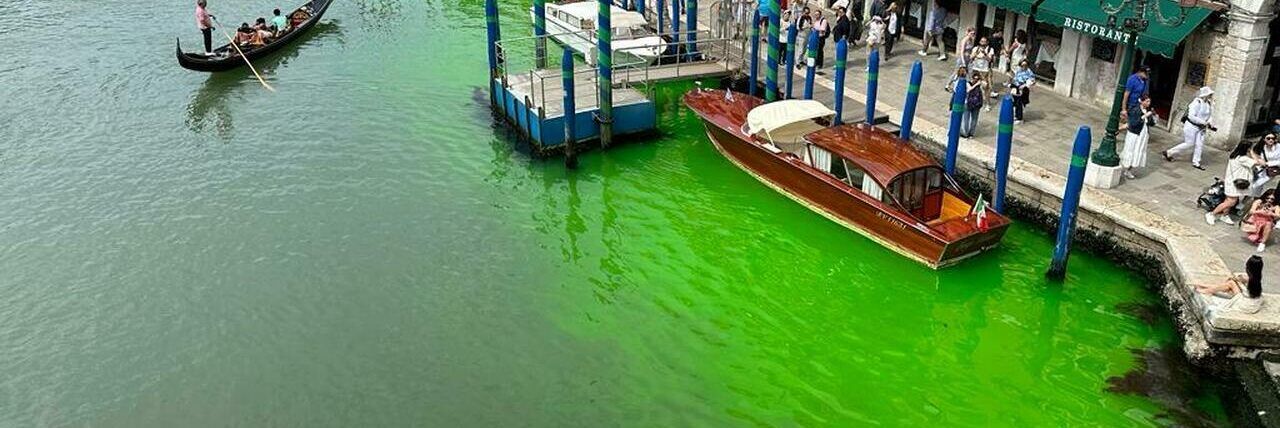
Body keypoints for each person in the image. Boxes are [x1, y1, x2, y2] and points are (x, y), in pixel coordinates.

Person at [1162, 86, 1216, 170]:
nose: (1211, 96)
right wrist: (1203, 122)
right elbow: (1191, 116)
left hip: (1201, 128)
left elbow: (1210, 115)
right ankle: (1169, 152)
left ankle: (1196, 162)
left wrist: (1210, 122)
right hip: (1191, 126)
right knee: (1189, 143)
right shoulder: (1196, 102)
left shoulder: (1208, 103)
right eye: (1210, 94)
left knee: (1199, 145)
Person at [1206, 141, 1258, 225]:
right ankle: (1212, 214)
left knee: (1229, 200)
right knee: (1231, 202)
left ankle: (1225, 215)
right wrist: (1252, 153)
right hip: (1234, 184)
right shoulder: (1243, 158)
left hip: (1232, 181)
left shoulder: (1235, 155)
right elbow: (1257, 162)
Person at [1200, 256, 1264, 315]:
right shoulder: (1257, 278)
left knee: (1231, 283)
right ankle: (1209, 287)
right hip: (1254, 304)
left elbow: (1235, 277)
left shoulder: (1248, 279)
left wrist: (1237, 281)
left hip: (1246, 304)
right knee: (1231, 283)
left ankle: (1208, 290)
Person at [1119, 96, 1156, 180]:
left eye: (1149, 102)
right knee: (1130, 150)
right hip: (1134, 134)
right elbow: (1133, 123)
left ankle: (1129, 170)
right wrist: (1145, 116)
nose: (1148, 103)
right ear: (1141, 101)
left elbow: (1151, 123)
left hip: (1143, 135)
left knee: (1137, 151)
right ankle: (1122, 166)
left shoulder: (1147, 111)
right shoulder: (1135, 109)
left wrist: (1152, 117)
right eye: (1147, 101)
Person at [996, 30, 1027, 97]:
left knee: (1014, 71)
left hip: (1015, 58)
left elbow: (1009, 50)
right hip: (1020, 58)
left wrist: (1004, 49)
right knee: (1012, 71)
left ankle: (1016, 84)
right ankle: (1009, 82)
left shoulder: (1016, 43)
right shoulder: (1024, 43)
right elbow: (1025, 51)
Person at [968, 37, 994, 109]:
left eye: (984, 41)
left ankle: (988, 104)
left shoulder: (990, 50)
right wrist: (976, 53)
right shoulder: (976, 48)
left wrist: (985, 54)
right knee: (973, 85)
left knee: (985, 87)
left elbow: (989, 60)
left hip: (984, 70)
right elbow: (971, 58)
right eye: (981, 41)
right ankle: (971, 100)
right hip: (975, 69)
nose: (983, 43)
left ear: (987, 42)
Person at [960, 72, 987, 138]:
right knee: (974, 119)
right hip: (977, 104)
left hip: (968, 103)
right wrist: (980, 81)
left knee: (966, 118)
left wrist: (976, 84)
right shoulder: (981, 84)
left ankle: (966, 133)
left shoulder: (968, 83)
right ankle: (971, 134)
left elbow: (968, 90)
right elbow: (986, 86)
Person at [1010, 59, 1034, 124]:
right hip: (1016, 87)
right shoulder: (1018, 70)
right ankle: (1016, 115)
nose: (1024, 67)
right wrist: (1013, 85)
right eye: (1022, 65)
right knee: (1015, 102)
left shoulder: (1029, 72)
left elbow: (1032, 81)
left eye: (1025, 65)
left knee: (1019, 103)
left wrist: (1024, 85)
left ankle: (1020, 118)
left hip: (1023, 89)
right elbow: (1014, 78)